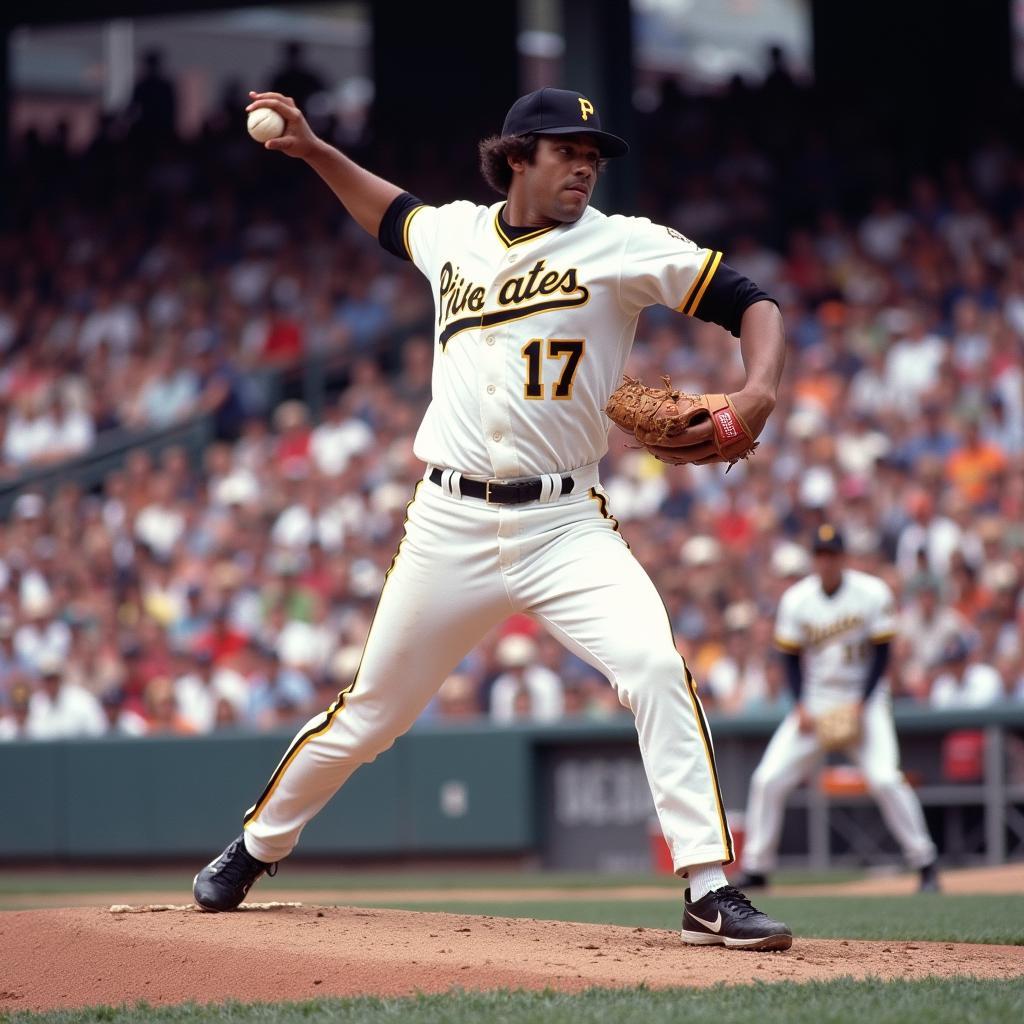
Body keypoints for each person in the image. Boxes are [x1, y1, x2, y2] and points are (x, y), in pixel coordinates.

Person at [194, 86, 790, 951]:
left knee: (656, 669)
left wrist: (759, 389)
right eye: (566, 149)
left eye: (594, 154)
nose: (586, 163)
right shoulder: (456, 234)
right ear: (516, 156)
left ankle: (708, 887)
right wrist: (318, 151)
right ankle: (257, 845)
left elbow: (750, 300)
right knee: (372, 714)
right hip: (449, 523)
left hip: (565, 524)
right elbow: (390, 213)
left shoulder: (622, 244)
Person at [732, 525, 940, 893]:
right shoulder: (798, 599)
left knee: (885, 779)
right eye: (821, 554)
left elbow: (882, 652)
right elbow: (791, 658)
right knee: (768, 779)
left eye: (832, 554)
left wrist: (862, 702)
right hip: (817, 700)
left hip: (865, 699)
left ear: (843, 557)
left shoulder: (871, 592)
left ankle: (924, 862)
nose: (826, 561)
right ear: (814, 559)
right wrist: (799, 706)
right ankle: (757, 868)